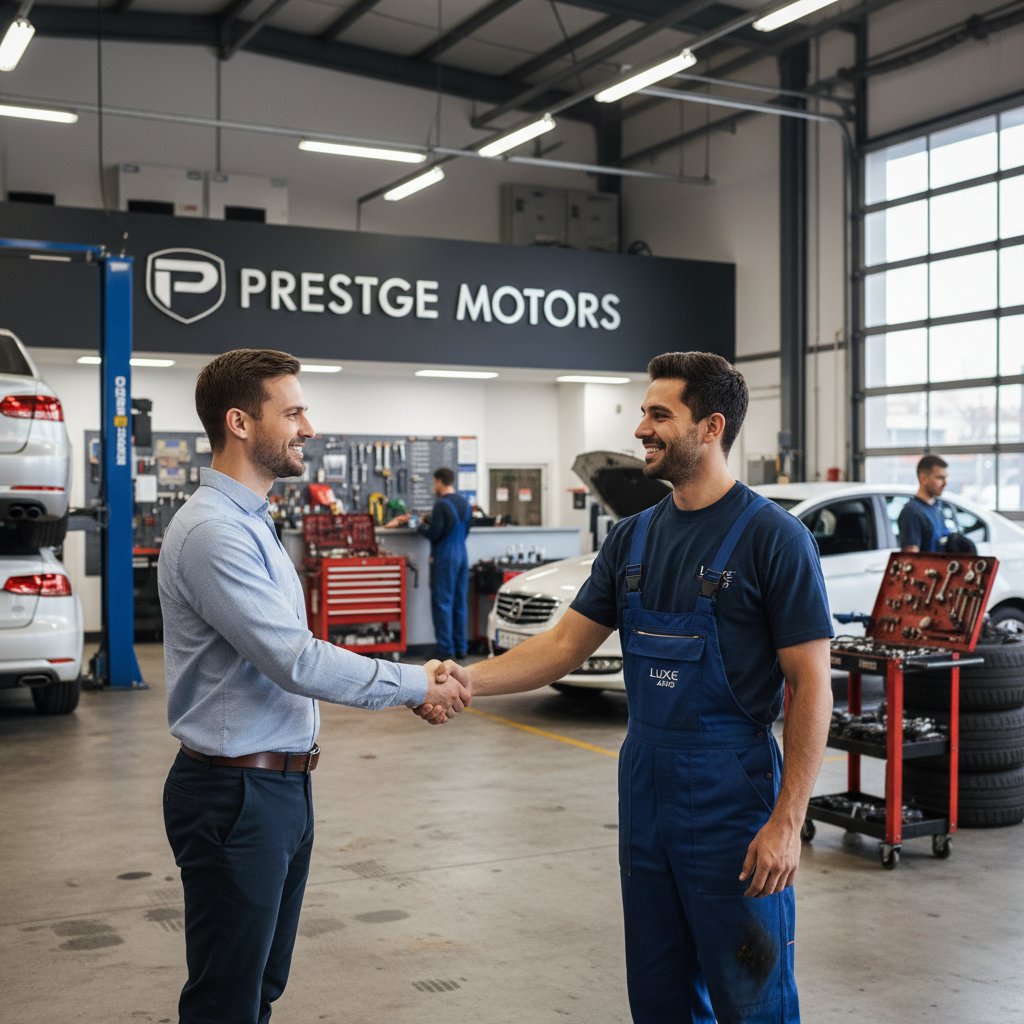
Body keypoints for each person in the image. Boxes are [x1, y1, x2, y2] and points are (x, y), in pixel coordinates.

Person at [427, 351, 834, 1023]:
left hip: (732, 794)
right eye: (642, 412)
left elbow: (810, 683)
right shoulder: (632, 539)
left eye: (658, 414)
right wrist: (465, 679)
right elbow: (563, 646)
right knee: (658, 989)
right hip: (645, 785)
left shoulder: (775, 540)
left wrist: (787, 823)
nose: (641, 428)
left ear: (711, 427)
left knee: (750, 992)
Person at [158, 348, 469, 1024]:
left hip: (278, 786)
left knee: (259, 987)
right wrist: (415, 682)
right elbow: (294, 660)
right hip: (235, 793)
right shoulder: (214, 532)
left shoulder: (253, 521)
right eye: (293, 411)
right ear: (240, 422)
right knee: (226, 1001)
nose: (310, 426)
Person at [390, 467, 471, 660]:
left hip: (445, 556)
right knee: (460, 603)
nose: (434, 486)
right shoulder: (465, 503)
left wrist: (417, 526)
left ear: (440, 482)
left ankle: (445, 650)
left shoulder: (442, 505)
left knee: (442, 603)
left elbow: (434, 533)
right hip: (462, 554)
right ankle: (461, 648)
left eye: (435, 482)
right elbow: (466, 529)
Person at [898, 455, 950, 552]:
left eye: (946, 478)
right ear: (923, 479)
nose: (945, 483)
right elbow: (911, 559)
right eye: (940, 478)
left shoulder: (938, 507)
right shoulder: (911, 512)